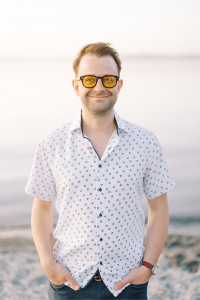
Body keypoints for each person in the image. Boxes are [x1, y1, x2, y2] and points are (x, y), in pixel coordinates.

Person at [25, 42, 176, 300]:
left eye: (107, 79)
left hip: (128, 283)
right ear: (76, 86)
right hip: (69, 283)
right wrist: (47, 264)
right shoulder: (52, 143)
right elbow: (41, 208)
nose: (99, 87)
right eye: (89, 79)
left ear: (119, 85)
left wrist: (147, 267)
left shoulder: (145, 142)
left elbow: (159, 208)